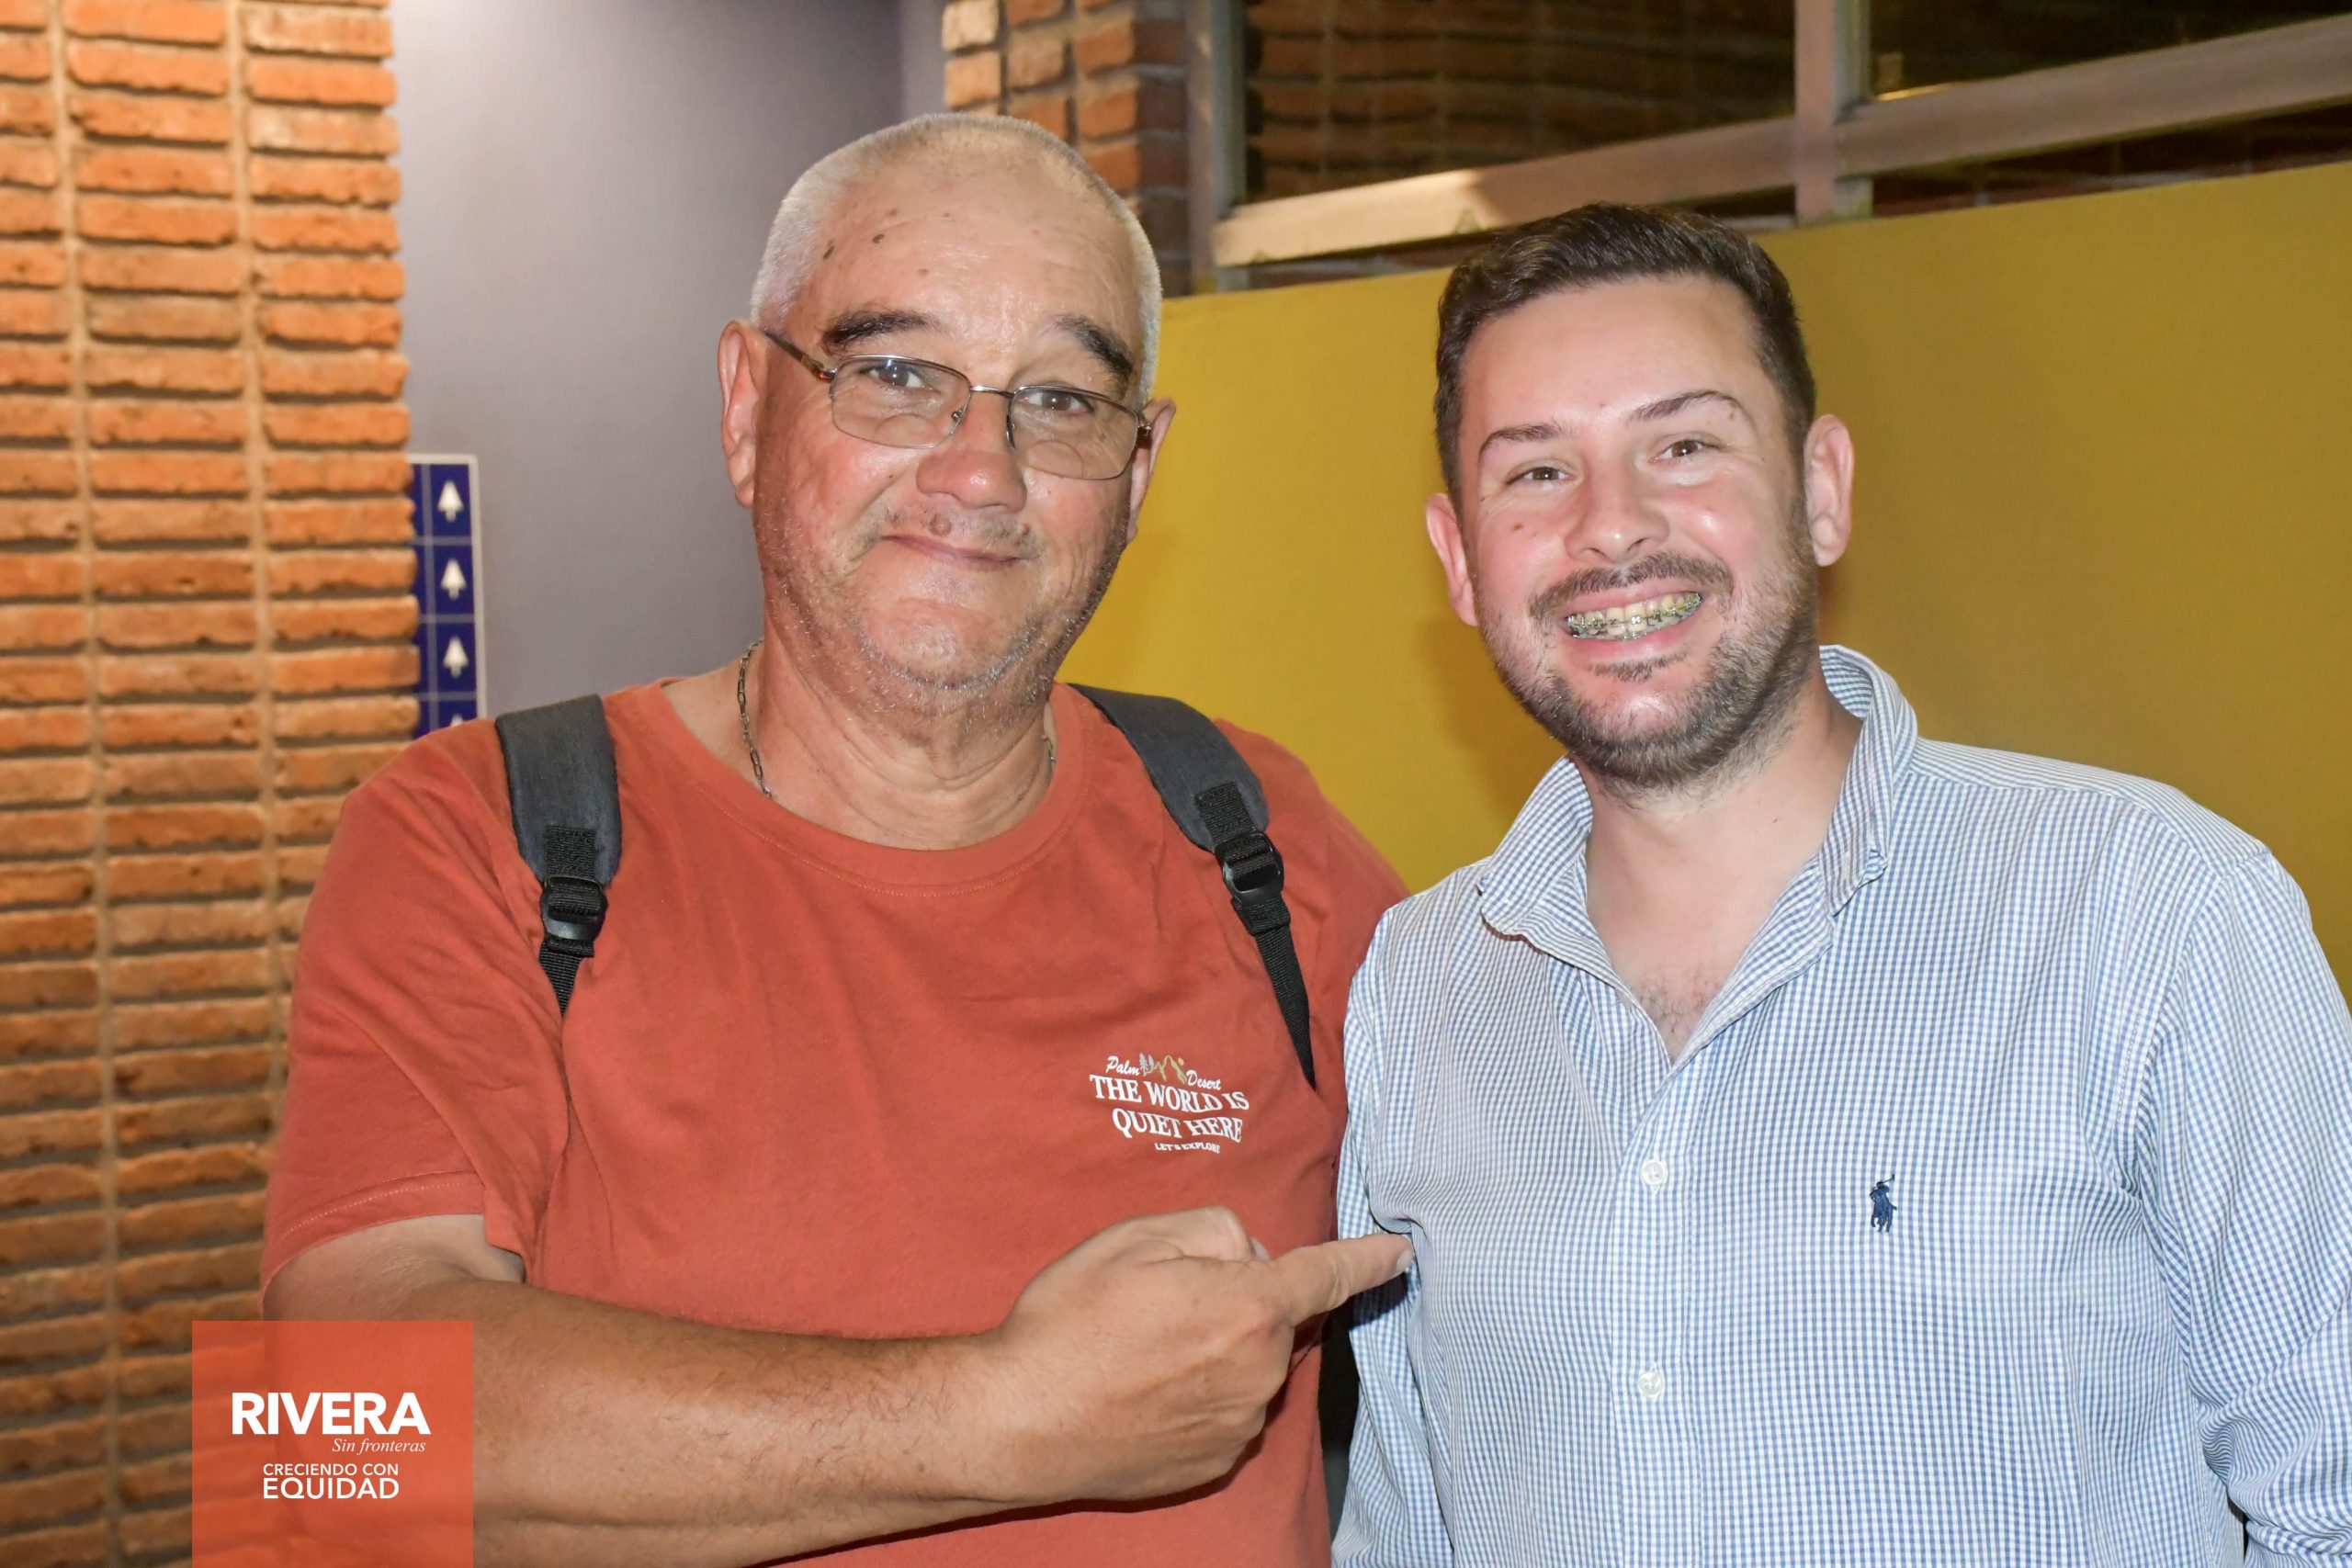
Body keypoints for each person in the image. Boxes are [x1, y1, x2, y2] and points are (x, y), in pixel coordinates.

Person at [261, 114, 1409, 1568]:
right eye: (897, 376)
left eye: (1062, 400)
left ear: (1138, 471)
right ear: (748, 406)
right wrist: (1003, 1417)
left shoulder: (1257, 842)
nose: (980, 471)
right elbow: (327, 1443)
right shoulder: (487, 838)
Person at [1336, 203, 2351, 1564]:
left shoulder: (2153, 915)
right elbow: (1406, 1530)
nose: (1611, 529)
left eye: (1684, 445)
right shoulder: (1420, 985)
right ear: (1461, 560)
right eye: (1536, 471)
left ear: (1821, 489)